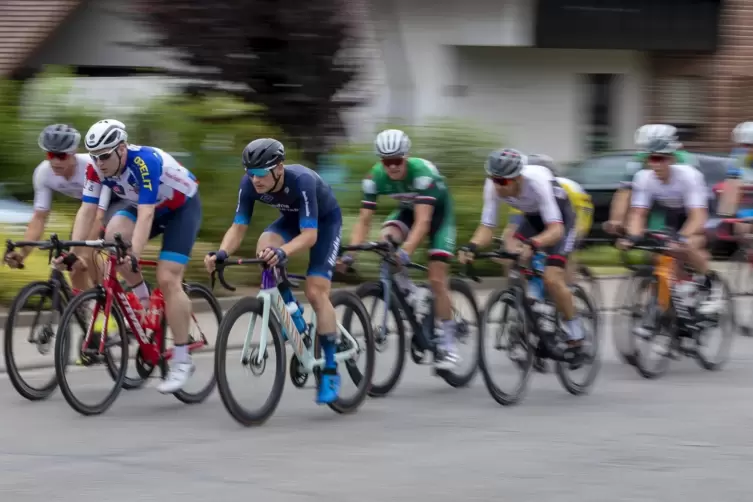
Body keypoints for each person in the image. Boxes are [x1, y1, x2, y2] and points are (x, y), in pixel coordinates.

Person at [64, 119, 202, 393]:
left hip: (180, 208)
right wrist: (72, 253)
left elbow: (147, 214)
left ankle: (183, 360)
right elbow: (86, 211)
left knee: (168, 277)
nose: (99, 163)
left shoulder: (144, 162)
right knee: (112, 237)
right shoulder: (97, 169)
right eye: (94, 156)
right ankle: (143, 302)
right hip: (144, 207)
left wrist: (135, 254)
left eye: (104, 156)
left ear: (122, 149)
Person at [203, 138, 344, 404]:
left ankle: (330, 368)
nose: (254, 179)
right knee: (264, 247)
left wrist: (284, 252)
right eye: (249, 172)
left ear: (279, 168)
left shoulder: (302, 180)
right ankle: (291, 310)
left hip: (323, 225)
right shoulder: (249, 184)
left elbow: (310, 235)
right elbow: (238, 226)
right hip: (292, 220)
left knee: (315, 291)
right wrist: (222, 253)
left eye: (259, 173)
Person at [339, 129, 460, 370]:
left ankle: (449, 345)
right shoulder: (374, 177)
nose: (392, 167)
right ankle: (412, 293)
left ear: (406, 157)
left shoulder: (422, 174)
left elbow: (424, 222)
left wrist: (405, 253)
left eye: (396, 161)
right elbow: (364, 221)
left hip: (438, 216)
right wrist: (350, 255)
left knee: (437, 279)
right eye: (386, 161)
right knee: (385, 241)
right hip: (408, 211)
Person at [458, 148, 584, 364]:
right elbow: (487, 226)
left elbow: (555, 231)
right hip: (533, 217)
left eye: (503, 182)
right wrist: (471, 246)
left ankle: (576, 334)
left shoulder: (537, 183)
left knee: (552, 277)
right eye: (494, 179)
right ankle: (534, 309)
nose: (497, 186)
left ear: (517, 179)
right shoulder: (493, 186)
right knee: (510, 255)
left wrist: (534, 243)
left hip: (560, 218)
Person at [616, 127, 723, 321]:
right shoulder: (644, 178)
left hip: (700, 211)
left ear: (672, 159)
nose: (656, 165)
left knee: (689, 244)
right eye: (652, 159)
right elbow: (638, 214)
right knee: (662, 255)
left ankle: (711, 284)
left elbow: (697, 216)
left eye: (661, 159)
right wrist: (632, 236)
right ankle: (678, 298)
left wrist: (682, 237)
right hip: (674, 212)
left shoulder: (688, 176)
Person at [4, 124, 118, 291]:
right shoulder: (43, 173)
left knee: (86, 254)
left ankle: (107, 298)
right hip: (88, 208)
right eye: (51, 155)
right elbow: (39, 218)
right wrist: (22, 254)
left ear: (73, 153)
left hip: (113, 202)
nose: (55, 161)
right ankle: (85, 309)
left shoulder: (93, 166)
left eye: (62, 156)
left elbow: (97, 215)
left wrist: (79, 250)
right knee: (73, 268)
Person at [604, 124, 697, 236]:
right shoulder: (638, 160)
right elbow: (625, 191)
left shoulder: (685, 159)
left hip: (682, 204)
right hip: (654, 202)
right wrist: (617, 220)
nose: (649, 160)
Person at [716, 121, 753, 236]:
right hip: (743, 209)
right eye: (742, 145)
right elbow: (730, 189)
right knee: (741, 228)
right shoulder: (738, 158)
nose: (745, 150)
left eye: (749, 145)